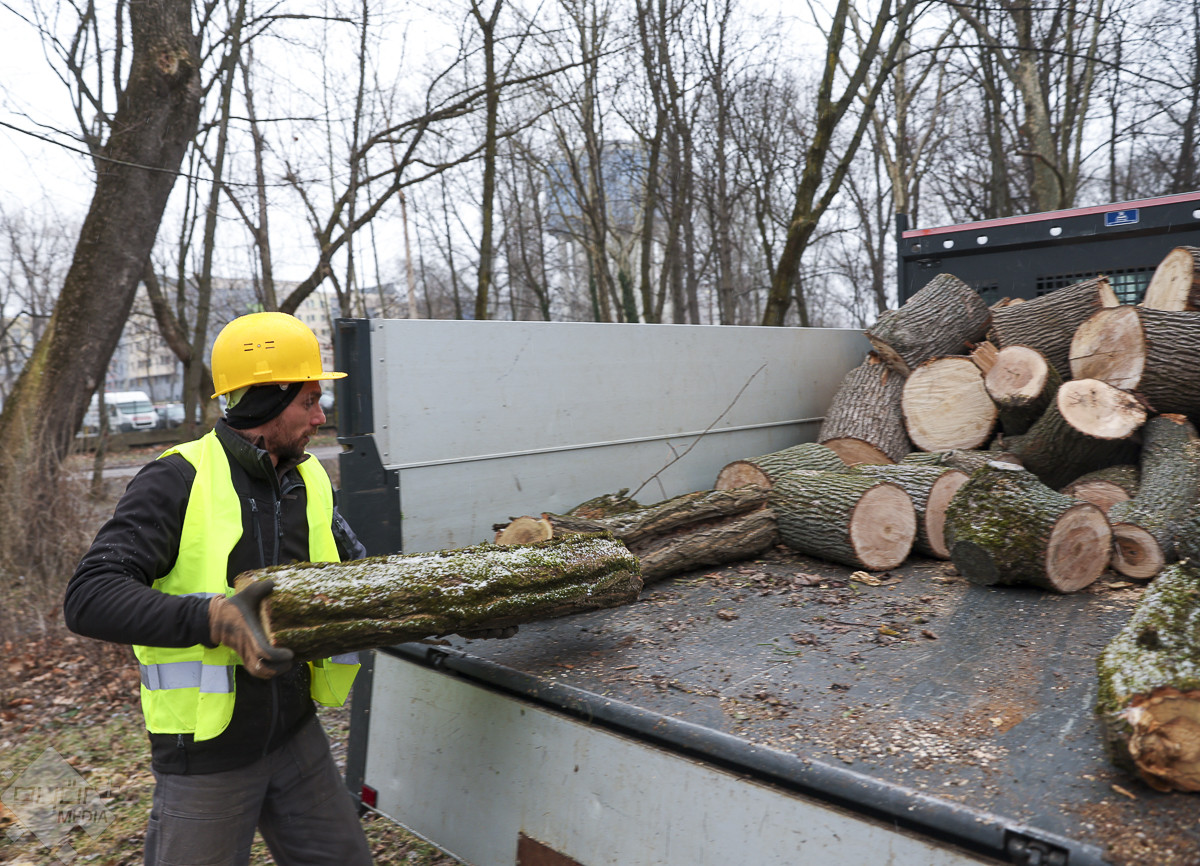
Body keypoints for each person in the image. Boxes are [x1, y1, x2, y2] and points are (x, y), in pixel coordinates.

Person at [65, 312, 373, 866]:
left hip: (296, 736)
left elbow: (362, 573)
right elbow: (89, 596)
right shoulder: (176, 479)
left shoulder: (307, 477)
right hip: (206, 755)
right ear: (266, 401)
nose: (320, 417)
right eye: (308, 401)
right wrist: (213, 618)